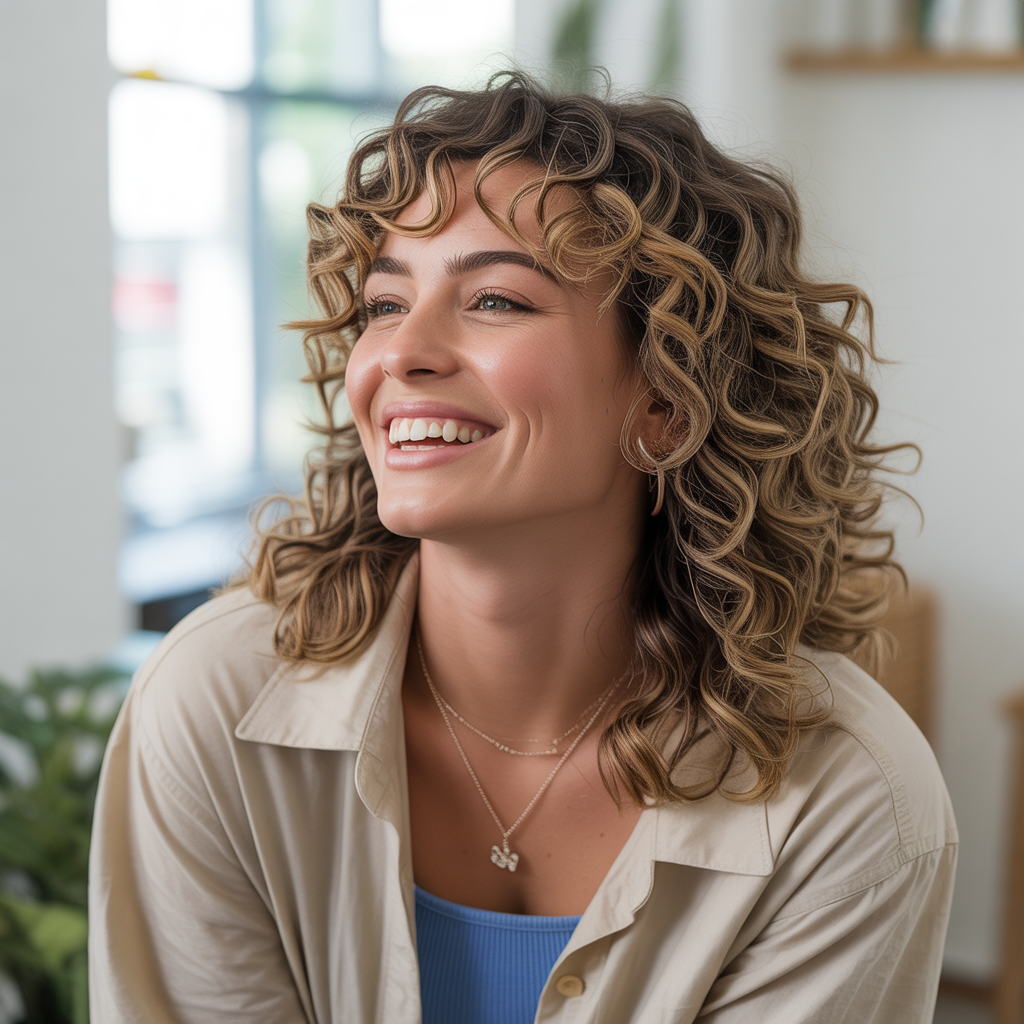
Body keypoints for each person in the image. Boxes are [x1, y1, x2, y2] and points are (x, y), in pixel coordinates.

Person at [88, 72, 957, 1023]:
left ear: (669, 399)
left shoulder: (848, 799)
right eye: (384, 304)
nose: (400, 354)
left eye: (496, 300)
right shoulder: (216, 704)